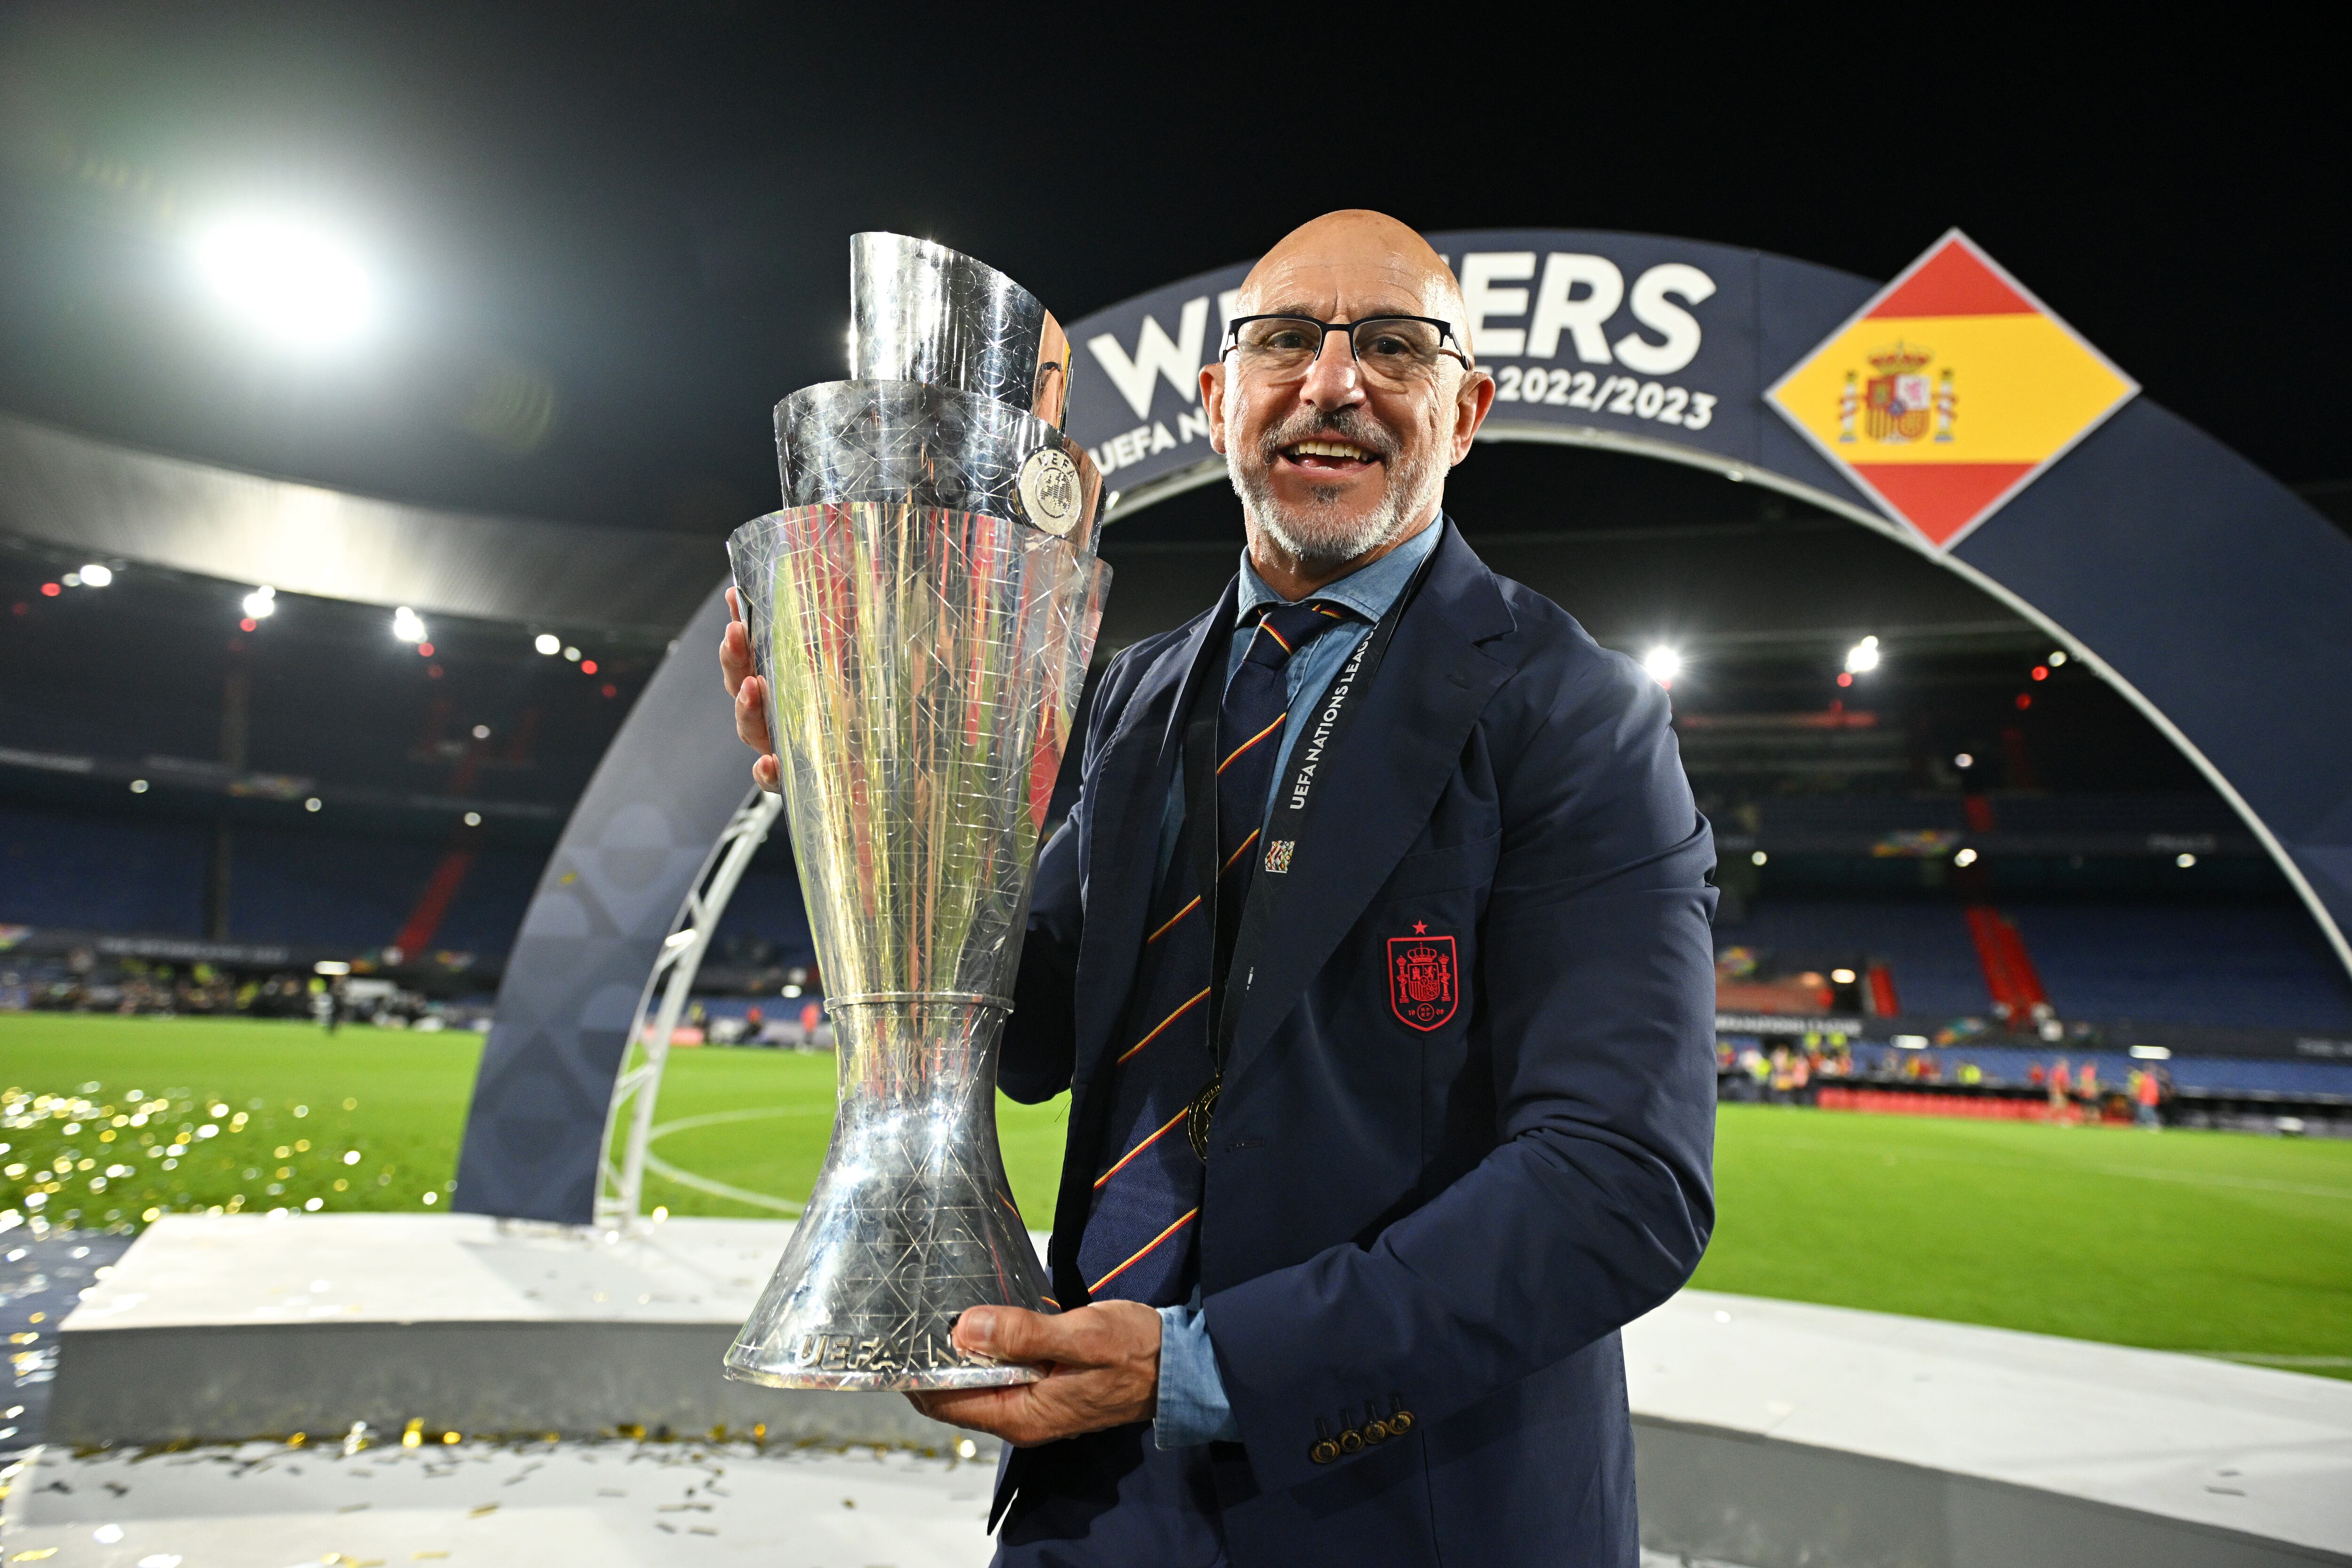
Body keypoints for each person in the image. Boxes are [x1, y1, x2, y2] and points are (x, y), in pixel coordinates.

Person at [723, 209, 1719, 1566]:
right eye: (1288, 341)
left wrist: (1202, 1368)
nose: (1333, 383)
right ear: (1216, 401)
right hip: (1093, 1501)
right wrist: (864, 804)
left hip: (1409, 1510)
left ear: (1467, 409)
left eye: (1394, 347)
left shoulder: (1574, 715)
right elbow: (1027, 1035)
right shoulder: (1128, 694)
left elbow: (1619, 1184)